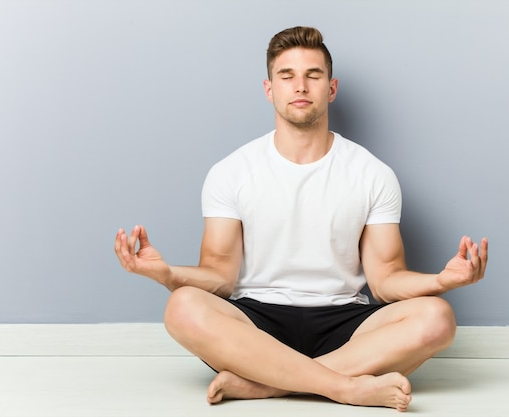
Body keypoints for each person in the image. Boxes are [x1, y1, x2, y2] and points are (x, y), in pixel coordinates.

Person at [114, 26, 488, 412]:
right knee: (182, 306)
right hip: (257, 321)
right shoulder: (232, 172)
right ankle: (344, 387)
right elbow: (220, 276)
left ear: (331, 88)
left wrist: (441, 282)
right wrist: (168, 276)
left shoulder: (372, 174)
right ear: (268, 88)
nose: (300, 86)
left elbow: (386, 280)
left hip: (346, 320)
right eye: (287, 76)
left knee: (437, 317)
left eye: (313, 75)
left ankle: (265, 385)